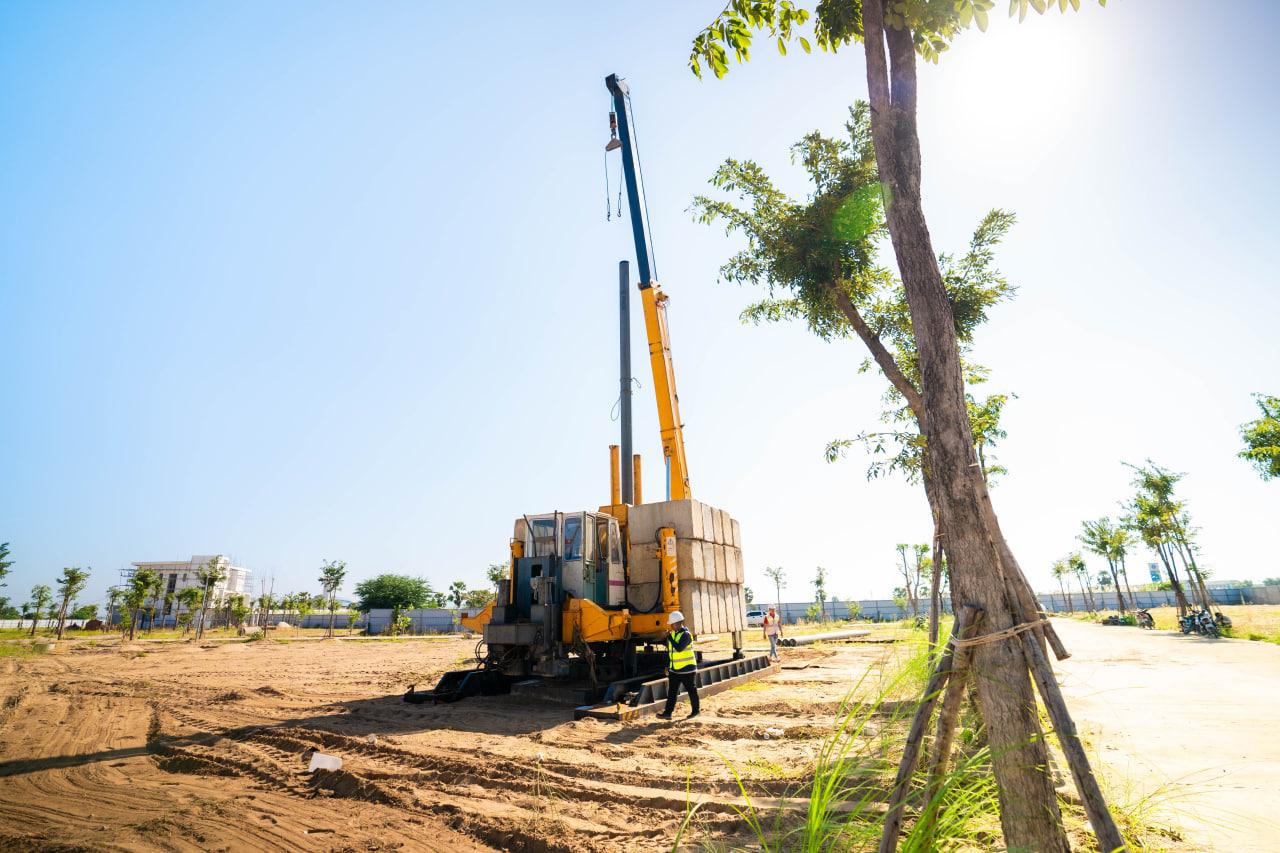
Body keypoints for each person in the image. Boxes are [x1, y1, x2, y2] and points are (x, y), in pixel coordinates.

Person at [655, 610, 699, 720]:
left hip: (687, 669)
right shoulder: (674, 634)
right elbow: (670, 652)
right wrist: (667, 665)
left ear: (678, 623)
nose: (671, 626)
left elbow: (679, 648)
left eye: (672, 624)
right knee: (672, 692)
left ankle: (696, 711)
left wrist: (669, 638)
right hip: (675, 669)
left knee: (691, 690)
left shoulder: (686, 635)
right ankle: (667, 713)